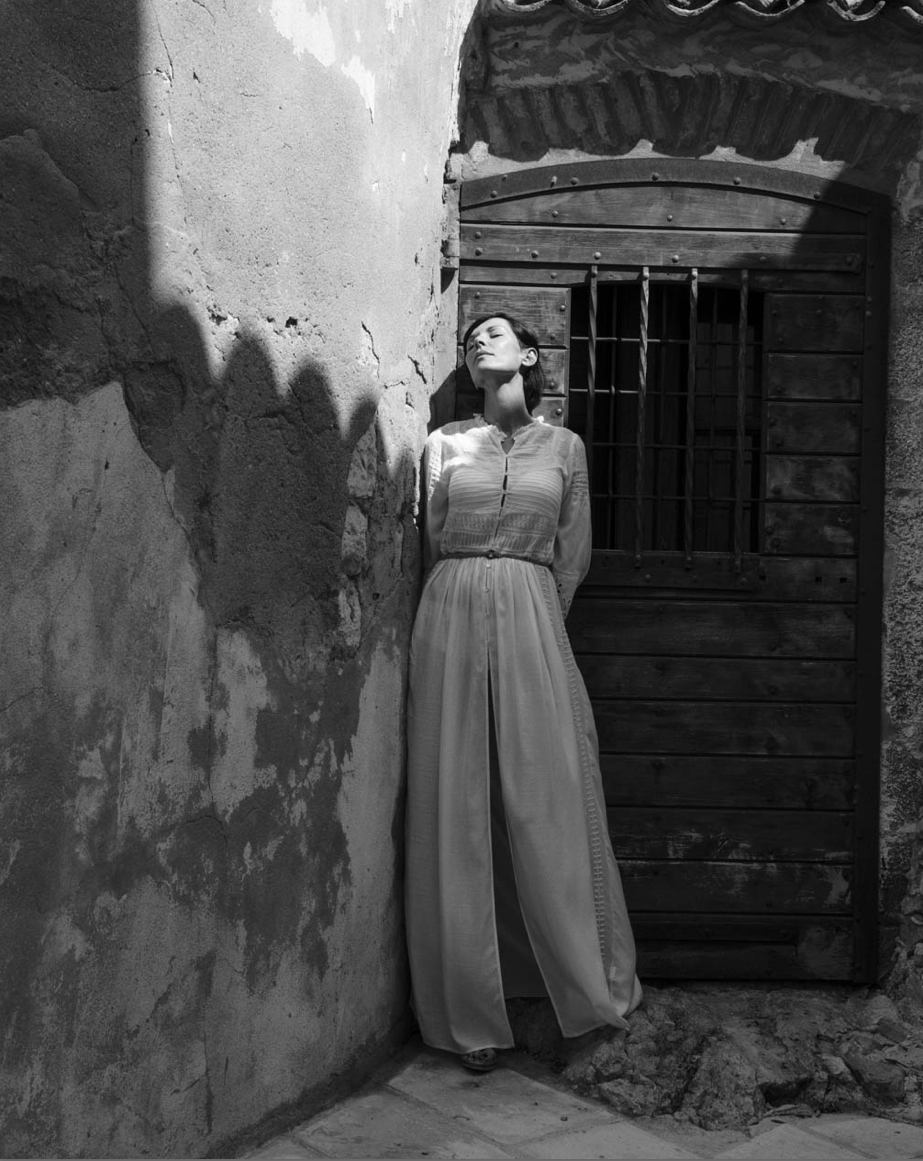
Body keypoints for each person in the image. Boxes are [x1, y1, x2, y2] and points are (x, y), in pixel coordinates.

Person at [404, 313, 642, 1073]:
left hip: (534, 612)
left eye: (495, 333)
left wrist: (526, 610)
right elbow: (430, 538)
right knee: (454, 799)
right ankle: (469, 1016)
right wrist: (474, 590)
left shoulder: (563, 448)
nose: (479, 341)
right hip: (448, 610)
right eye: (471, 337)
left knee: (548, 790)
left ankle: (583, 986)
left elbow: (573, 555)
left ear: (529, 356)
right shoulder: (443, 444)